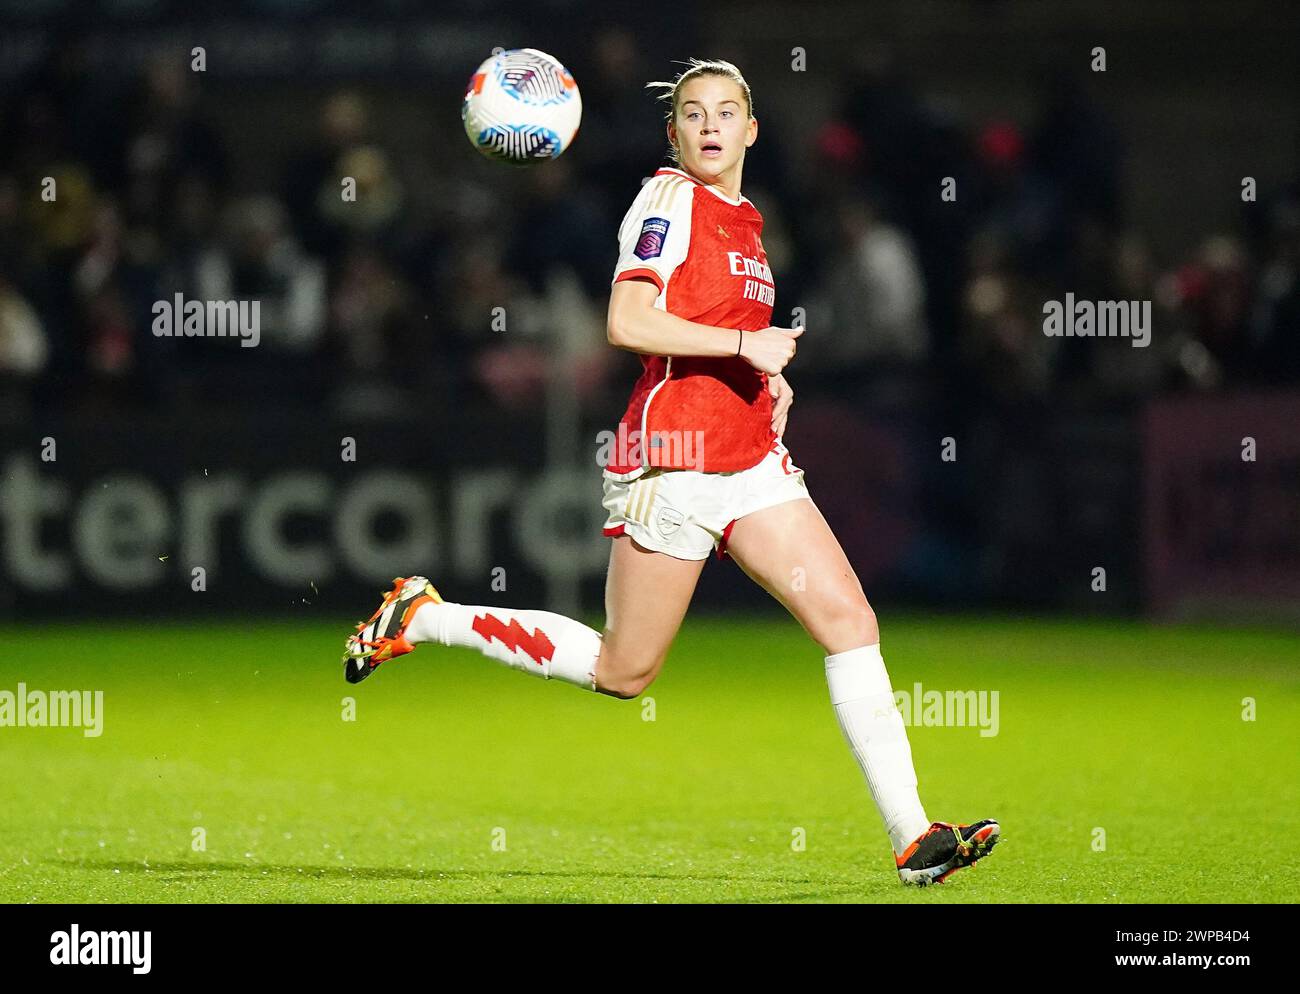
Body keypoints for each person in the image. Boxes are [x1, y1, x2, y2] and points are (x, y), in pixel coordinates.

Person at [340, 59, 998, 886]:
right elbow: (628, 318)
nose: (711, 125)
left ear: (752, 130)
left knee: (849, 621)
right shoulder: (669, 200)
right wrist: (744, 347)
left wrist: (766, 376)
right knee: (626, 670)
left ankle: (913, 838)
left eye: (727, 112)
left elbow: (717, 326)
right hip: (674, 459)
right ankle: (427, 617)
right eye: (693, 114)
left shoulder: (746, 220)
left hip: (750, 458)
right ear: (675, 133)